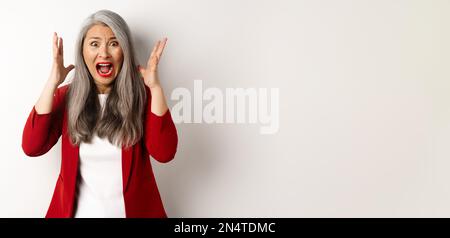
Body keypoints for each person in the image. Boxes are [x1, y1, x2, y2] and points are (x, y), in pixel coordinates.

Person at [21, 9, 178, 218]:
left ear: (125, 51)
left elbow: (165, 153)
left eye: (114, 43)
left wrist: (155, 88)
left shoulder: (143, 97)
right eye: (94, 44)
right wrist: (52, 82)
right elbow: (32, 146)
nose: (104, 53)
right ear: (83, 52)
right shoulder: (67, 97)